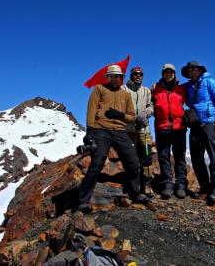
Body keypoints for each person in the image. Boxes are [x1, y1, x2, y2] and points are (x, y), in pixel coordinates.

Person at [78, 65, 149, 213]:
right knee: (97, 163)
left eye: (118, 76)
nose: (115, 79)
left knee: (133, 162)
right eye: (112, 76)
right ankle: (84, 201)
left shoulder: (125, 95)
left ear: (122, 78)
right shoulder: (99, 89)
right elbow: (91, 110)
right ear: (108, 77)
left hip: (120, 131)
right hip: (101, 130)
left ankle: (135, 193)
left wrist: (120, 115)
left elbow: (131, 117)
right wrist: (90, 131)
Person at [181, 61, 215, 202]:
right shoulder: (187, 86)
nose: (193, 71)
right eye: (190, 70)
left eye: (195, 69)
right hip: (195, 125)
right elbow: (173, 89)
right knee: (196, 159)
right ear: (187, 73)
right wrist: (158, 86)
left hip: (210, 123)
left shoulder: (209, 82)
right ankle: (205, 188)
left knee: (214, 157)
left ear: (199, 71)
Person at [151, 64, 188, 199]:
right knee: (163, 157)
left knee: (180, 157)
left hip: (179, 128)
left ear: (174, 74)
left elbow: (192, 102)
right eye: (166, 72)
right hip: (162, 128)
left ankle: (181, 185)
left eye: (171, 72)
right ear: (162, 74)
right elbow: (149, 105)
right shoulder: (155, 89)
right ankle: (167, 184)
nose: (169, 74)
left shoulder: (181, 89)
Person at [122, 66, 154, 196]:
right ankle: (131, 184)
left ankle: (147, 184)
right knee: (130, 157)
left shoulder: (146, 91)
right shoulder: (123, 89)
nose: (138, 76)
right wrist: (131, 118)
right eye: (135, 74)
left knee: (146, 156)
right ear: (131, 75)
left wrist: (146, 113)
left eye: (141, 74)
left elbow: (151, 106)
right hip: (128, 130)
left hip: (144, 130)